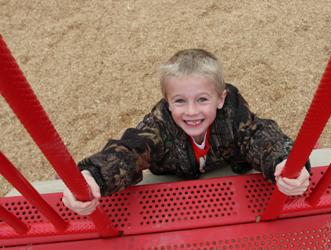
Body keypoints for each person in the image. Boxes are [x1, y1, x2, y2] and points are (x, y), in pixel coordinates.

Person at [62, 49, 310, 215]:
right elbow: (130, 150)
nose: (191, 111)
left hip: (226, 175)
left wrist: (285, 162)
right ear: (168, 102)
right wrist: (92, 176)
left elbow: (261, 136)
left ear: (220, 99)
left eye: (202, 99)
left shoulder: (235, 117)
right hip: (173, 182)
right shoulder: (159, 126)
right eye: (180, 101)